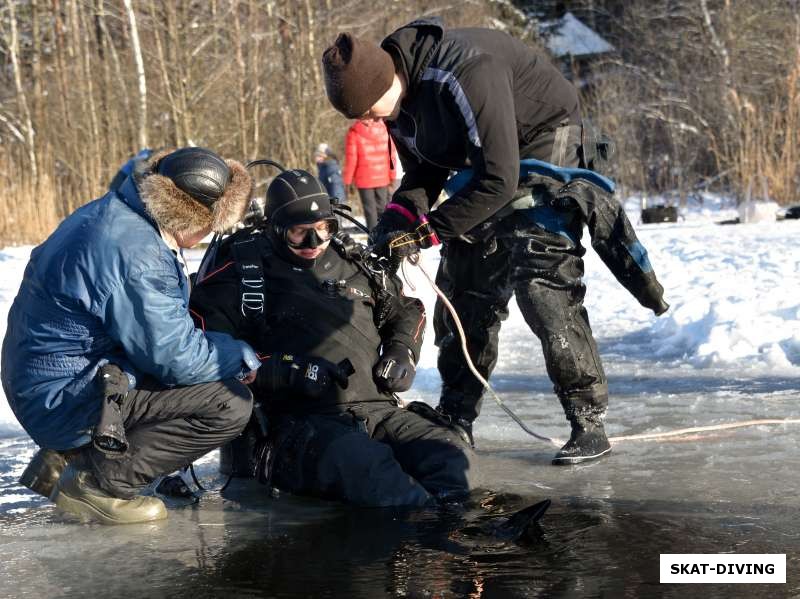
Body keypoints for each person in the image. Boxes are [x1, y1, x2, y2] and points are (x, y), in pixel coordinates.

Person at [321, 18, 670, 465]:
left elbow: (500, 178)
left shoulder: (466, 71)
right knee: (466, 283)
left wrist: (427, 232)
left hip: (545, 147)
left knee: (541, 281)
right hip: (486, 167)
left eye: (368, 108)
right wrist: (397, 219)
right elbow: (425, 173)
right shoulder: (396, 106)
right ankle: (457, 415)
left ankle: (588, 421)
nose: (368, 120)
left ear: (385, 80)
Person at [1, 147, 260, 524]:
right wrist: (236, 354)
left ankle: (67, 457)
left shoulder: (118, 212)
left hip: (46, 378)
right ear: (191, 217)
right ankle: (96, 482)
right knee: (228, 404)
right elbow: (177, 359)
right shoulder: (136, 253)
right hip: (61, 395)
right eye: (215, 225)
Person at [189, 168, 478, 506]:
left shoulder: (355, 264)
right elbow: (204, 348)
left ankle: (467, 529)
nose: (314, 244)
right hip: (295, 425)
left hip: (378, 409)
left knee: (455, 458)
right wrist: (281, 369)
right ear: (276, 228)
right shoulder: (242, 274)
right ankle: (427, 536)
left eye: (324, 230)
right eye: (299, 233)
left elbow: (406, 310)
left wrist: (403, 351)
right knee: (373, 473)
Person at [342, 118, 397, 230]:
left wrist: (347, 181)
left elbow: (351, 159)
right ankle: (385, 235)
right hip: (383, 177)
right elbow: (391, 156)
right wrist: (392, 176)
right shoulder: (385, 129)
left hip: (364, 179)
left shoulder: (355, 131)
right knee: (383, 208)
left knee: (370, 211)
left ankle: (372, 239)